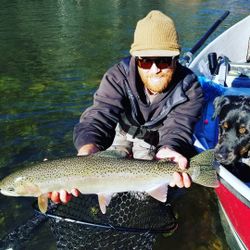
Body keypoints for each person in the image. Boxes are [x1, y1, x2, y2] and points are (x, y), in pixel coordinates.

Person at [49, 10, 204, 204]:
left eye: (163, 59)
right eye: (146, 61)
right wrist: (86, 153)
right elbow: (99, 114)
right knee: (106, 183)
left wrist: (169, 148)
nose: (155, 69)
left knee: (144, 195)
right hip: (121, 132)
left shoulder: (190, 87)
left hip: (157, 140)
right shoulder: (117, 76)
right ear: (135, 59)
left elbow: (179, 127)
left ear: (176, 58)